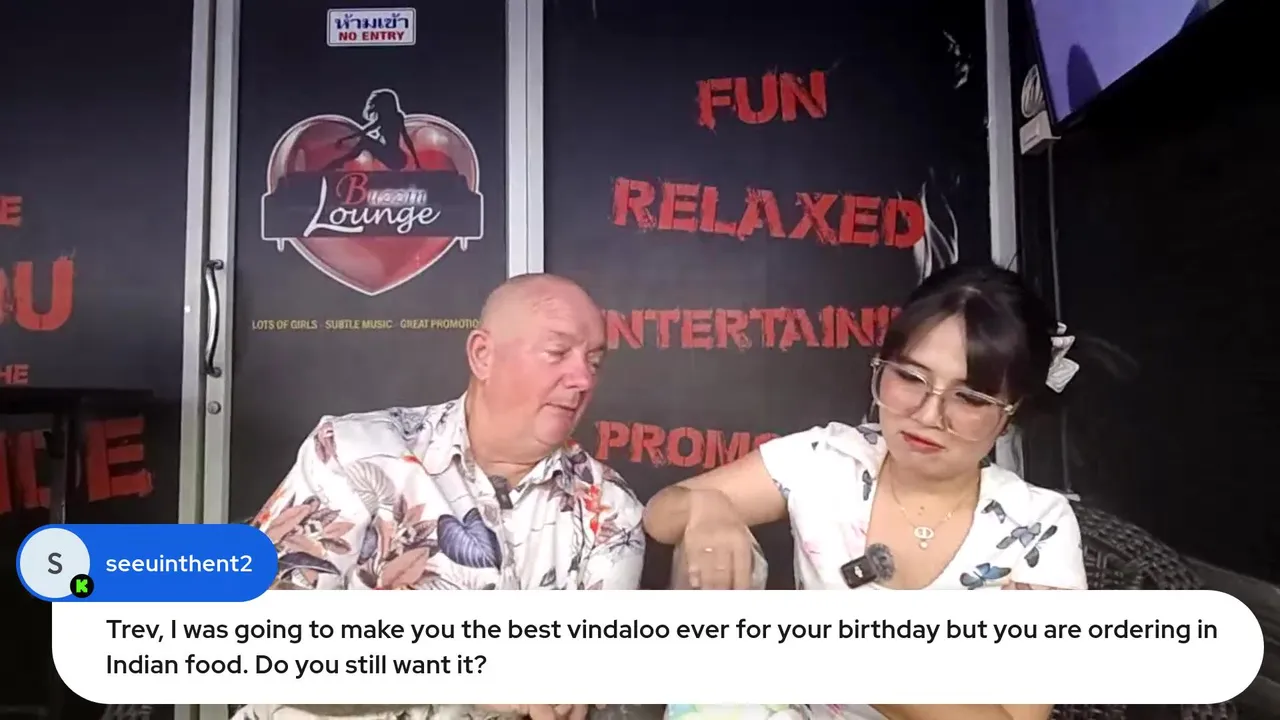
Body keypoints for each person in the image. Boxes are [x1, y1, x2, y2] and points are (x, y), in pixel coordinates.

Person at [644, 262, 1087, 720]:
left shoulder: (1037, 528)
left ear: (1010, 413)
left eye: (970, 398)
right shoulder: (830, 460)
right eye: (910, 378)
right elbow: (661, 514)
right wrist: (707, 508)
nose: (927, 415)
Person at [236, 274, 644, 720]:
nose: (583, 378)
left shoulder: (611, 507)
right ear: (483, 355)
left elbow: (595, 672)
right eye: (557, 353)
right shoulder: (354, 451)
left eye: (594, 362)